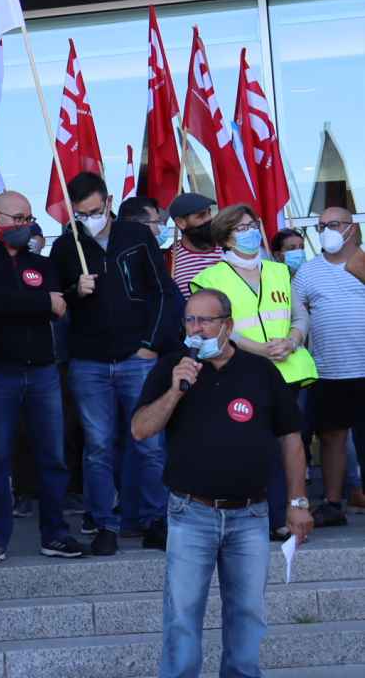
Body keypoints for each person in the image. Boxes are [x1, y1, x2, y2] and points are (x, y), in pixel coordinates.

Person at [131, 289, 313, 678]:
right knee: (182, 612)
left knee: (247, 610)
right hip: (190, 511)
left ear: (227, 325)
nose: (195, 329)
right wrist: (175, 391)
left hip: (250, 514)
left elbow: (291, 438)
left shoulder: (259, 371)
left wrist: (297, 502)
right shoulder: (171, 367)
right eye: (190, 321)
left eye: (205, 321)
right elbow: (140, 430)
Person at [51, 173, 184, 554]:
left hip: (136, 358)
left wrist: (151, 344)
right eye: (81, 213)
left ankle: (155, 519)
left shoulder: (136, 236)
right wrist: (76, 291)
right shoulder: (65, 247)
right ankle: (104, 522)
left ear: (108, 202)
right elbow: (57, 304)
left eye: (95, 210)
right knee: (98, 446)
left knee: (151, 443)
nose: (89, 218)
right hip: (88, 362)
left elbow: (162, 293)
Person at [0, 191, 84, 564]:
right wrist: (40, 303)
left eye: (29, 217)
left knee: (53, 457)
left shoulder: (41, 264)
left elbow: (57, 307)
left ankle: (56, 534)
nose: (25, 224)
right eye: (18, 217)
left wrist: (25, 303)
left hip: (43, 371)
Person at [190, 204, 318, 538]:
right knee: (259, 446)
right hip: (246, 371)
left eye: (252, 225)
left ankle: (292, 513)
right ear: (226, 239)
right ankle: (266, 516)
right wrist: (260, 350)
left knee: (293, 445)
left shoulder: (279, 271)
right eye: (241, 228)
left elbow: (299, 314)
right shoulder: (209, 279)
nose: (250, 233)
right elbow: (217, 328)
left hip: (289, 370)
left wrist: (292, 339)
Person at [296, 208, 365, 526]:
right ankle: (334, 504)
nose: (326, 231)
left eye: (333, 224)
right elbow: (297, 318)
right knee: (331, 437)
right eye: (321, 226)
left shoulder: (363, 263)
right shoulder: (308, 272)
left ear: (352, 229)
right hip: (329, 371)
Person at [168, 193, 222, 299]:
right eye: (201, 216)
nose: (209, 219)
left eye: (209, 213)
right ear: (181, 223)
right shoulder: (170, 259)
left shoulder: (228, 247)